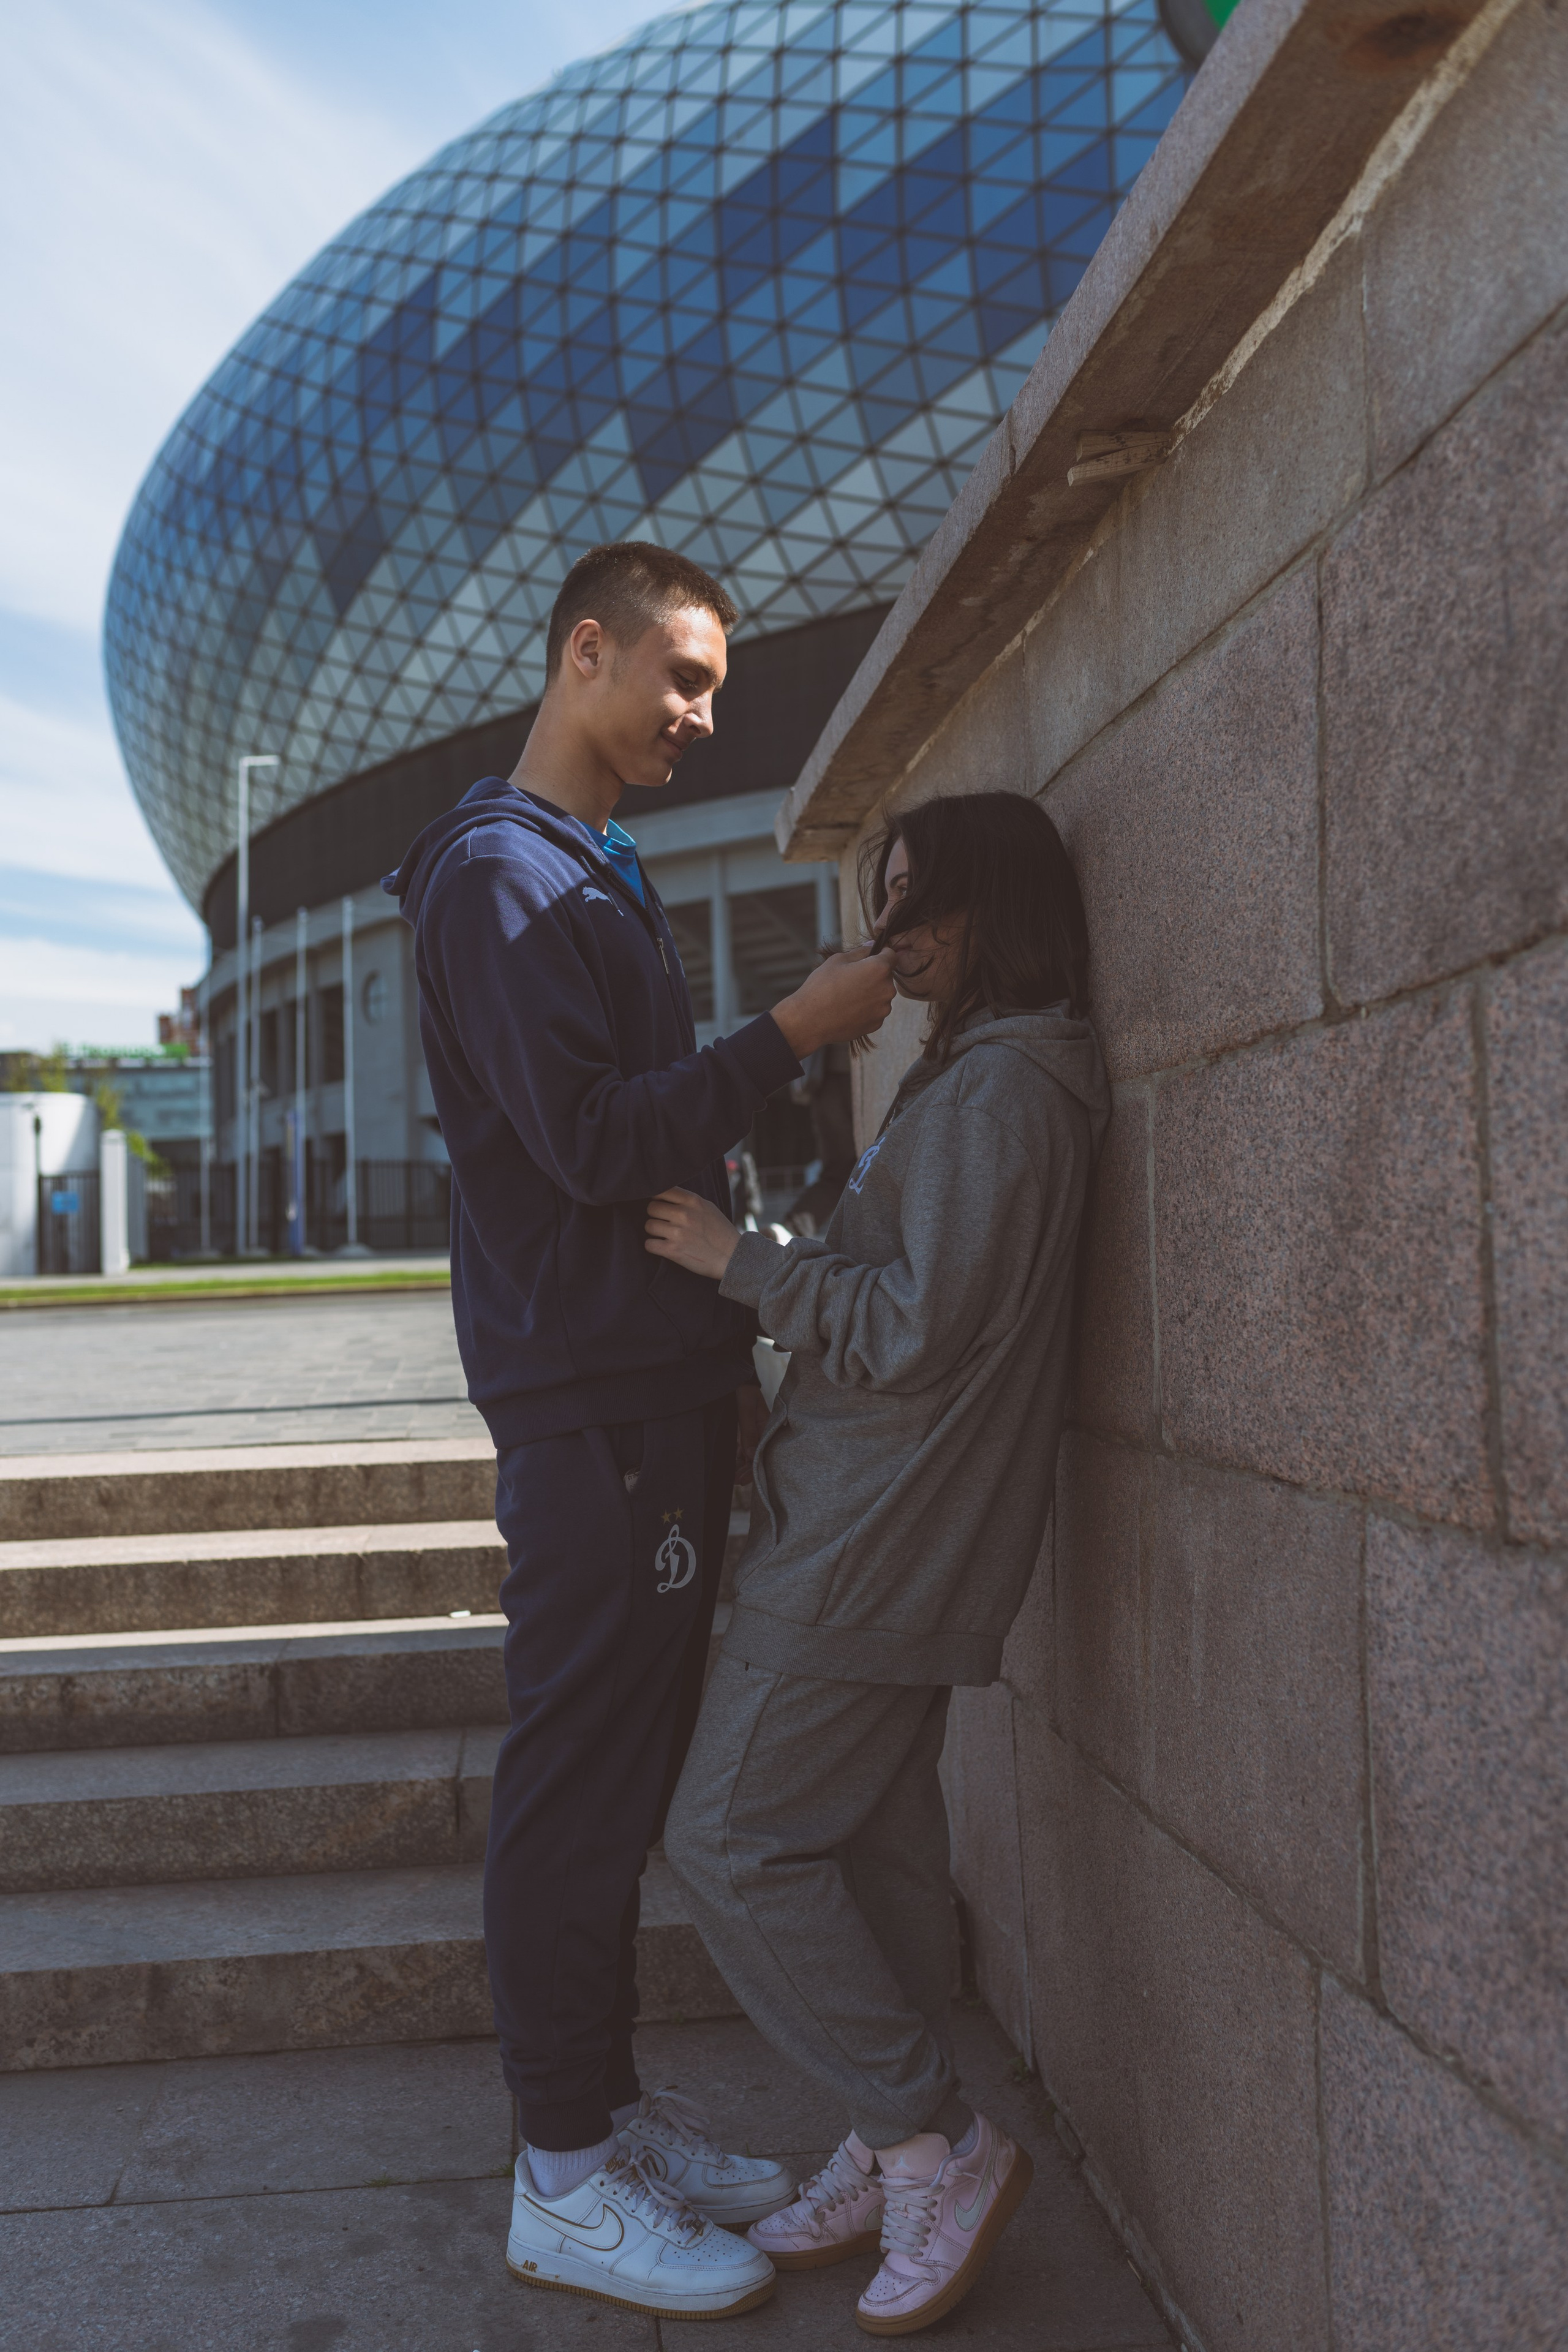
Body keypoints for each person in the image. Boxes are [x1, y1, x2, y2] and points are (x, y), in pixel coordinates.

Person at [386, 540, 897, 2321]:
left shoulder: (588, 867)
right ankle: (562, 2179)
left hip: (649, 1381)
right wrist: (791, 1032)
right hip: (587, 1395)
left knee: (618, 1781)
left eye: (715, 690)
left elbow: (652, 1151)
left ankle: (600, 2117)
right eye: (681, 678)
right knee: (577, 1782)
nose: (700, 715)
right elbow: (596, 1145)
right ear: (583, 652)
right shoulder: (499, 877)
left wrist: (720, 1351)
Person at [646, 791, 1109, 2339]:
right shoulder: (976, 1076)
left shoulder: (1000, 1094)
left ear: (990, 906)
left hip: (870, 1540)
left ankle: (930, 2145)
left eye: (912, 902)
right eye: (882, 900)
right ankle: (883, 2129)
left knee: (727, 1838)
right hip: (875, 1525)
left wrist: (740, 1262)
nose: (887, 935)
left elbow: (912, 1330)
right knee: (870, 1847)